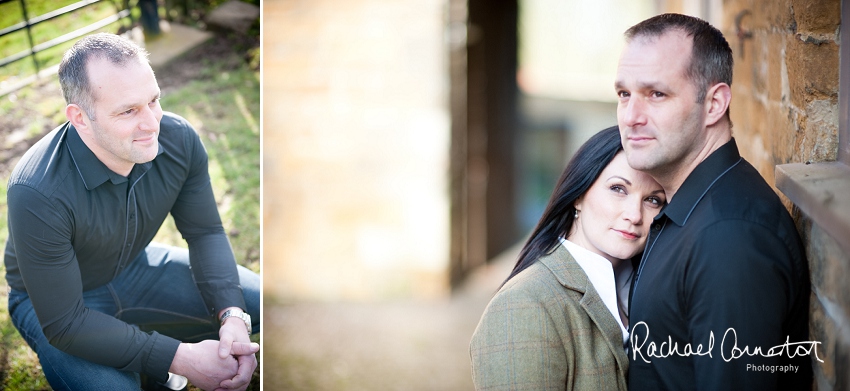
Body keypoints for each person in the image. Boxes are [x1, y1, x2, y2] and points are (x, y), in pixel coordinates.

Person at [5, 33, 260, 391]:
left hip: (134, 267)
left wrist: (231, 316)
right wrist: (179, 357)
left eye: (153, 100)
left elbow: (205, 233)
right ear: (80, 118)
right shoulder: (35, 191)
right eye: (128, 111)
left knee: (257, 302)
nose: (152, 124)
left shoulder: (179, 139)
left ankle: (147, 350)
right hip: (53, 303)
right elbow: (65, 324)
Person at [615, 13, 812, 389]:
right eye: (624, 94)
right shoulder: (685, 207)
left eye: (656, 94)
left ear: (714, 103)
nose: (631, 116)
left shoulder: (730, 237)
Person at [470, 126, 667, 390]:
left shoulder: (646, 292)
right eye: (618, 188)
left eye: (653, 200)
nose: (634, 215)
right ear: (578, 195)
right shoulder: (524, 304)